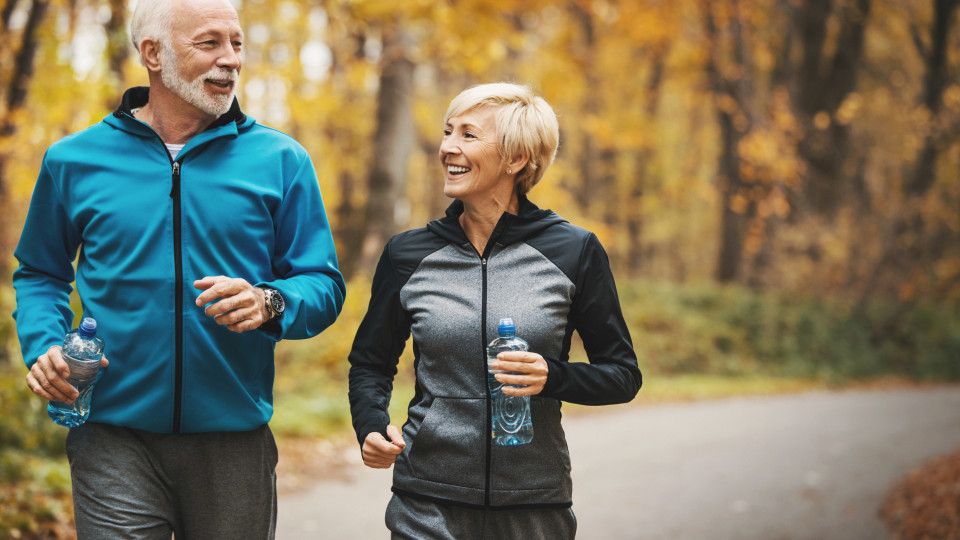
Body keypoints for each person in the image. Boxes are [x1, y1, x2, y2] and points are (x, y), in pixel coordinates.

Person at [12, 0, 345, 537]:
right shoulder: (73, 160)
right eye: (209, 43)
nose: (231, 59)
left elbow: (323, 284)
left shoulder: (281, 160)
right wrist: (44, 344)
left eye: (236, 43)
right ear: (153, 54)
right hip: (110, 435)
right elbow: (40, 273)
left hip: (233, 439)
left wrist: (270, 302)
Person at [347, 82, 642, 539]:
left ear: (516, 158)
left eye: (467, 135)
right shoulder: (408, 254)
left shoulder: (574, 251)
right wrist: (369, 424)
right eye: (448, 132)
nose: (447, 147)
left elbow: (623, 374)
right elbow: (370, 362)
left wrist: (553, 376)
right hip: (427, 501)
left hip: (534, 504)